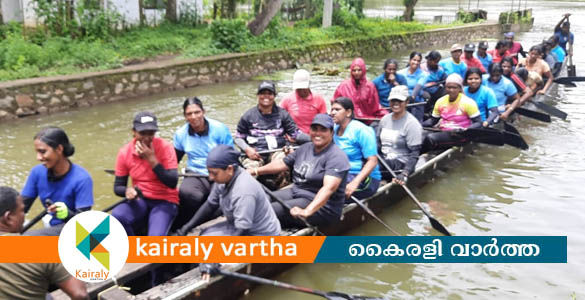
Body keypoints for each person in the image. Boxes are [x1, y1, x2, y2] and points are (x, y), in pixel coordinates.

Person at [252, 114, 350, 228]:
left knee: (267, 211)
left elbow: (328, 189)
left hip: (322, 207)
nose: (318, 133)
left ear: (332, 133)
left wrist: (307, 211)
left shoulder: (337, 156)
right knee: (259, 201)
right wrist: (255, 170)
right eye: (315, 129)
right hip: (296, 191)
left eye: (323, 130)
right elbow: (282, 163)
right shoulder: (306, 147)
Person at [0, 186, 89, 300]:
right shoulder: (41, 248)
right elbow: (80, 294)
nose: (24, 216)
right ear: (8, 218)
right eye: (22, 211)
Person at [175, 145, 280, 236]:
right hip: (235, 224)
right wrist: (186, 227)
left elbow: (242, 229)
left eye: (214, 173)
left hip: (258, 235)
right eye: (209, 172)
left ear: (230, 169)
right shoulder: (223, 180)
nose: (210, 178)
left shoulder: (243, 190)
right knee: (204, 234)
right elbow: (210, 204)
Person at [112, 112, 179, 237]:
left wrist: (152, 160)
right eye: (142, 133)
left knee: (154, 237)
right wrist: (127, 191)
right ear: (134, 132)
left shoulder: (165, 147)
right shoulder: (124, 152)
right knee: (117, 216)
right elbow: (118, 187)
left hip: (164, 200)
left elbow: (172, 182)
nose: (147, 138)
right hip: (140, 199)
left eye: (151, 134)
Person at [173, 97, 234, 229]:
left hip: (219, 171)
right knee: (187, 194)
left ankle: (205, 222)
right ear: (185, 116)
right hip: (196, 173)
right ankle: (185, 221)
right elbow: (173, 161)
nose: (194, 117)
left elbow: (230, 156)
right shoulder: (180, 134)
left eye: (197, 112)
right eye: (189, 114)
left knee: (220, 200)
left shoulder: (219, 129)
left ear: (203, 112)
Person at [21, 127, 93, 236]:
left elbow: (82, 223)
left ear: (59, 149)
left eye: (42, 152)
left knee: (28, 238)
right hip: (52, 226)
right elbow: (22, 206)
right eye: (37, 152)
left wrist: (67, 214)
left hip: (76, 230)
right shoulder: (37, 172)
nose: (38, 158)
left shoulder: (82, 179)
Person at [236, 80, 302, 170]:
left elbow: (295, 134)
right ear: (258, 96)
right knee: (249, 170)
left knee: (283, 162)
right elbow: (238, 138)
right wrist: (247, 149)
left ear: (274, 96)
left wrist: (312, 138)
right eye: (263, 93)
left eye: (270, 93)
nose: (266, 96)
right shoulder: (248, 116)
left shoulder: (283, 114)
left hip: (277, 152)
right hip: (255, 154)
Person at [330, 97, 381, 200]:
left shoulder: (361, 130)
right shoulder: (334, 130)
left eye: (337, 110)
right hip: (342, 173)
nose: (332, 113)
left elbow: (373, 161)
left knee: (329, 194)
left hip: (364, 178)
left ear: (348, 112)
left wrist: (355, 183)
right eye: (332, 109)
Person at [422, 74, 482, 152]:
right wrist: (419, 124)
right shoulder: (440, 101)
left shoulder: (468, 102)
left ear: (460, 89)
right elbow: (433, 121)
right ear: (445, 87)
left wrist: (465, 129)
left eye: (454, 87)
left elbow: (479, 123)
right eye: (449, 87)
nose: (451, 90)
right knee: (419, 136)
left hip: (460, 135)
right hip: (443, 131)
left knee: (430, 138)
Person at [376, 86, 422, 185]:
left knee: (372, 166)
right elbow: (378, 144)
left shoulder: (412, 124)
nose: (395, 103)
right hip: (384, 161)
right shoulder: (384, 119)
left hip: (400, 163)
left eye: (399, 100)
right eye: (393, 100)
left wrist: (405, 173)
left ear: (407, 102)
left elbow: (414, 154)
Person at [332, 57, 388, 124]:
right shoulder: (343, 86)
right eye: (354, 70)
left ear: (363, 70)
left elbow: (375, 106)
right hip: (348, 120)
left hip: (367, 119)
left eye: (359, 70)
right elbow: (335, 102)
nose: (356, 73)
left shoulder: (370, 86)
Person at [280, 69, 327, 134]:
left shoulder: (319, 99)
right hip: (293, 135)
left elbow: (324, 121)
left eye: (303, 88)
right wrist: (286, 134)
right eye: (299, 89)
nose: (301, 91)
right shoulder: (287, 99)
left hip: (313, 136)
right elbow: (279, 119)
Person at [412, 50, 448, 122]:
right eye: (434, 61)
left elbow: (445, 80)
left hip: (435, 89)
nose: (436, 63)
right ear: (429, 59)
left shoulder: (440, 69)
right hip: (422, 89)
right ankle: (424, 112)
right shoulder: (420, 67)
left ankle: (437, 112)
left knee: (446, 92)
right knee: (425, 96)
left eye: (437, 62)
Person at [398, 51, 427, 123]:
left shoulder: (423, 74)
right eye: (414, 60)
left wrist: (412, 96)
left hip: (417, 102)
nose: (416, 63)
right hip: (402, 102)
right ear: (409, 60)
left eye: (418, 61)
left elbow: (417, 88)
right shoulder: (400, 73)